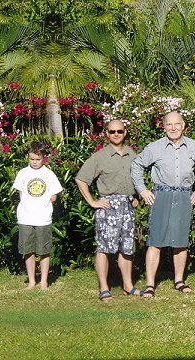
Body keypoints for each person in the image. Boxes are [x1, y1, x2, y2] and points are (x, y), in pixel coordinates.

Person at [131, 112, 195, 297]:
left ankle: (179, 281)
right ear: (164, 126)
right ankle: (150, 285)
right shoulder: (155, 147)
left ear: (183, 126)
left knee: (181, 242)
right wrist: (142, 190)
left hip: (184, 195)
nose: (173, 128)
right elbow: (136, 165)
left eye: (177, 124)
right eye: (169, 125)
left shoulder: (193, 146)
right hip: (161, 195)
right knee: (155, 241)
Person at [75, 120, 141, 301]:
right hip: (108, 207)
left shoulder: (132, 155)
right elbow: (81, 179)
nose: (116, 134)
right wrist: (92, 202)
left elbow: (135, 180)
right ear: (107, 134)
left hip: (127, 207)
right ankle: (104, 288)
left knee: (126, 248)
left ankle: (128, 286)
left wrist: (135, 196)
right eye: (112, 132)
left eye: (120, 131)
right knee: (104, 248)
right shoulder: (99, 157)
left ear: (125, 132)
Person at [12, 141, 63, 290]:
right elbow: (21, 193)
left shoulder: (48, 174)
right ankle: (32, 281)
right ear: (28, 157)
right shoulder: (23, 173)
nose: (34, 162)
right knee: (28, 250)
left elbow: (54, 196)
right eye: (32, 159)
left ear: (43, 157)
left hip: (43, 218)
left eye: (38, 159)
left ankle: (44, 281)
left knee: (44, 250)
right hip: (25, 217)